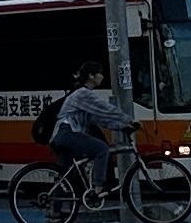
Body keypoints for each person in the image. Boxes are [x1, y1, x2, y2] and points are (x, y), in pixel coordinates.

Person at [46, 67, 130, 197]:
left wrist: (122, 127)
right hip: (68, 133)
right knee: (102, 148)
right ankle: (98, 187)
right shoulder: (83, 93)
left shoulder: (83, 95)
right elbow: (105, 108)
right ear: (91, 75)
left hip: (62, 135)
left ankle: (54, 206)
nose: (102, 77)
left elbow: (98, 120)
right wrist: (128, 119)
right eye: (100, 73)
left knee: (65, 175)